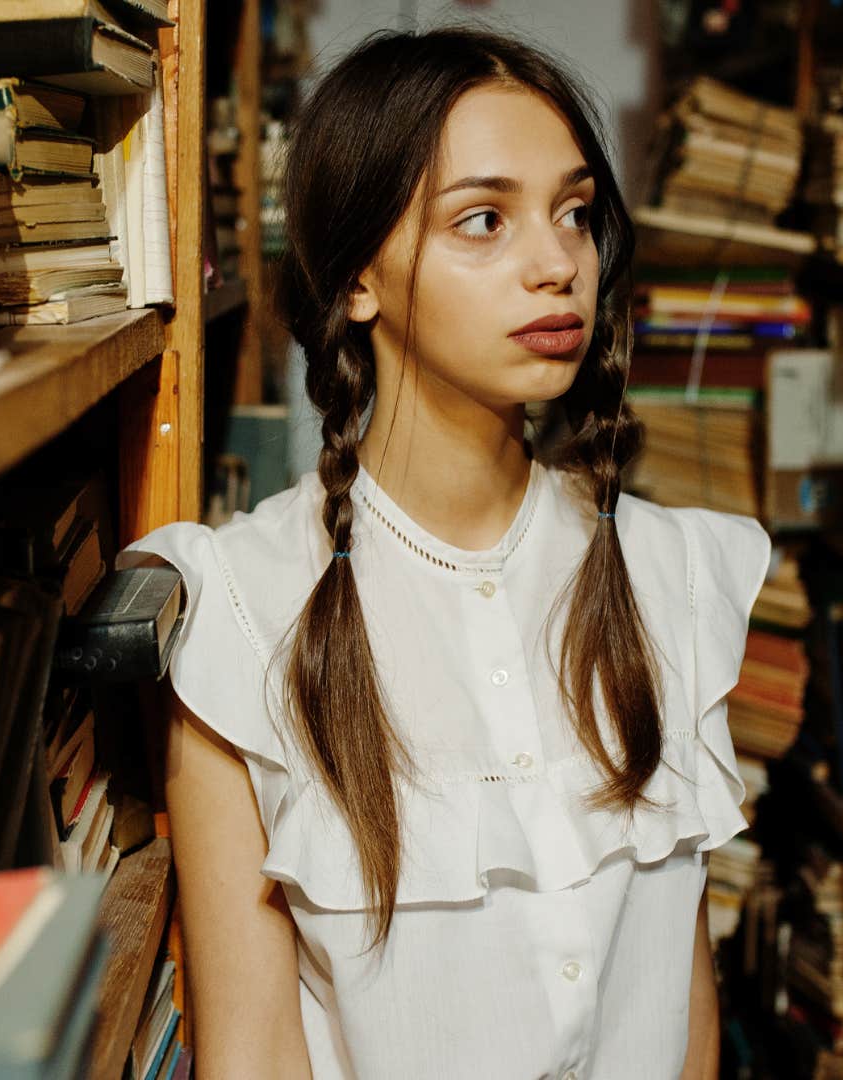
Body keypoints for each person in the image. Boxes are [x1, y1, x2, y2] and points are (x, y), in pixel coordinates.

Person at [122, 25, 770, 1079]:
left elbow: (684, 1005)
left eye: (573, 213)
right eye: (483, 220)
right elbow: (253, 1053)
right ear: (360, 276)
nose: (559, 262)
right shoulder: (242, 614)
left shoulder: (677, 578)